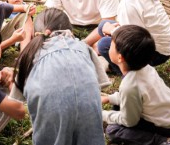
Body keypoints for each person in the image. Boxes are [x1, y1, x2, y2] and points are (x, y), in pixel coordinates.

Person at [14, 8, 106, 145]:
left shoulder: (28, 56)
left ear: (35, 35)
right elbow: (100, 83)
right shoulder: (84, 48)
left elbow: (16, 101)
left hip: (51, 126)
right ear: (71, 31)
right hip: (90, 126)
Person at [101, 24, 170, 145]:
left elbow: (129, 121)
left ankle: (161, 141)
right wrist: (109, 99)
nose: (108, 46)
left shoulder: (130, 86)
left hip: (163, 128)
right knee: (118, 107)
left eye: (111, 45)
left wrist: (102, 114)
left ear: (120, 57)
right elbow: (136, 97)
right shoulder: (146, 67)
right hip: (169, 117)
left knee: (113, 130)